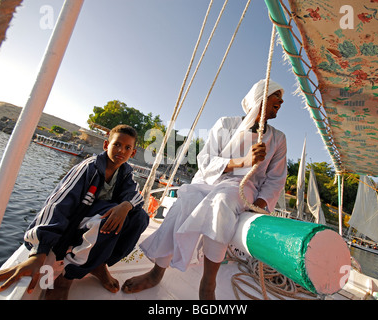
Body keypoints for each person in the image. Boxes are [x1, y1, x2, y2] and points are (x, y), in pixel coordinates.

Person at [122, 79, 288, 299]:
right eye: (276, 95)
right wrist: (242, 161)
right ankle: (155, 273)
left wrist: (257, 205)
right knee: (183, 203)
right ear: (260, 97)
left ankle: (208, 284)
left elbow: (275, 179)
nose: (281, 101)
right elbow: (205, 160)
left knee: (222, 201)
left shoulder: (278, 139)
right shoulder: (225, 124)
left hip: (243, 188)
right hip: (210, 180)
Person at [0, 124, 149, 299]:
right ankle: (67, 275)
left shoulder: (125, 174)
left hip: (96, 225)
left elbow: (135, 197)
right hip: (75, 226)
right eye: (116, 144)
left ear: (132, 153)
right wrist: (39, 253)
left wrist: (125, 206)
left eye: (127, 148)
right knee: (108, 215)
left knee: (140, 217)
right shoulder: (89, 168)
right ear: (106, 145)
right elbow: (57, 204)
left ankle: (99, 264)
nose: (121, 150)